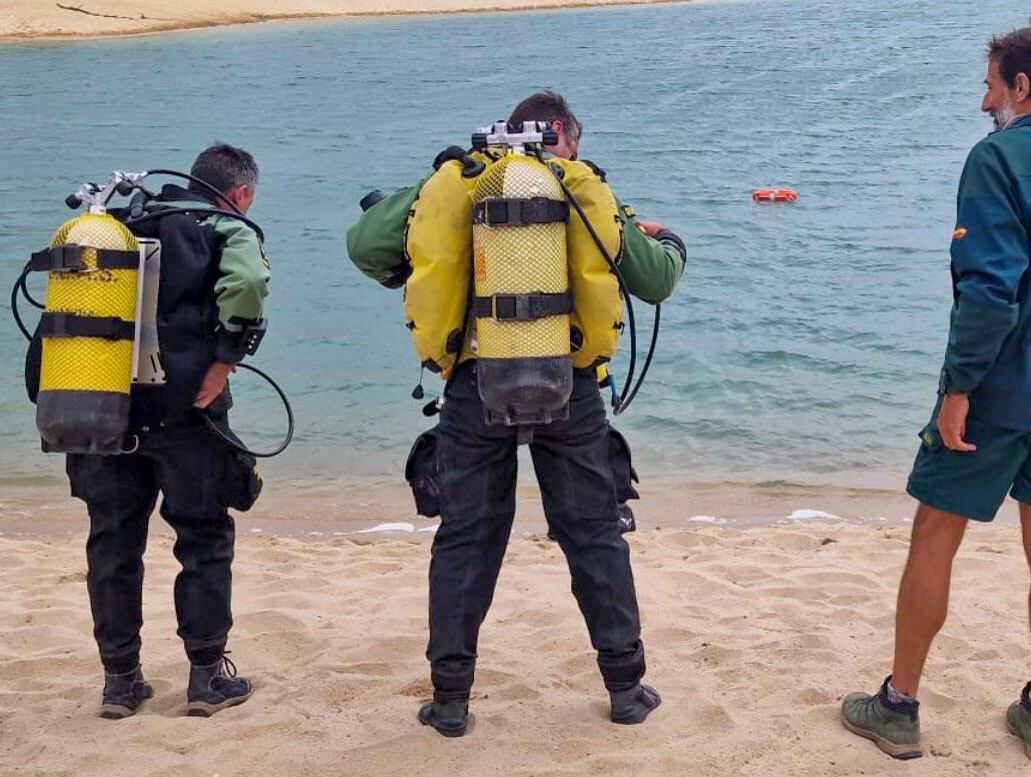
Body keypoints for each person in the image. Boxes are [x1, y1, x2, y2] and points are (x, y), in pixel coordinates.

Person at [841, 22, 1031, 764]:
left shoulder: (999, 157)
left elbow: (988, 292)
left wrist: (956, 389)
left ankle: (899, 704)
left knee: (934, 538)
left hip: (999, 390)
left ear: (1019, 85)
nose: (982, 101)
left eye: (989, 85)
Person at [347, 91, 686, 737]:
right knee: (592, 534)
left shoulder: (456, 182)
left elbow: (366, 249)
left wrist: (430, 185)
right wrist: (667, 238)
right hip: (571, 387)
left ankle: (449, 701)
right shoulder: (586, 190)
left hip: (474, 385)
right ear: (560, 132)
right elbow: (656, 279)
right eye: (576, 141)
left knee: (466, 540)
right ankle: (624, 687)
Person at [46, 144, 271, 718]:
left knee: (113, 541)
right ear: (240, 193)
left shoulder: (119, 225)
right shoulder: (228, 228)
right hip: (187, 413)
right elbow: (245, 285)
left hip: (103, 405)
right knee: (203, 538)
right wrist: (224, 361)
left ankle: (120, 682)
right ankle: (205, 678)